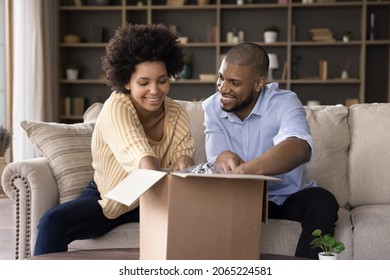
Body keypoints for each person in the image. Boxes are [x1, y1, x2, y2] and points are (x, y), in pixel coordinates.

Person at [33, 23, 195, 255]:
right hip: (110, 196)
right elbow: (143, 158)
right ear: (127, 82)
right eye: (143, 82)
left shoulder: (177, 112)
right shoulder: (117, 106)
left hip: (156, 199)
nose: (155, 90)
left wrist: (185, 164)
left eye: (162, 80)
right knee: (52, 221)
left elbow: (184, 159)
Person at [202, 42, 339, 259]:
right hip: (241, 198)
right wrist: (222, 157)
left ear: (259, 84)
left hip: (287, 197)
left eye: (235, 83)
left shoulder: (284, 102)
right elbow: (217, 157)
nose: (223, 88)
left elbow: (298, 147)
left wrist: (245, 170)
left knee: (322, 201)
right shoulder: (211, 107)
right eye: (221, 78)